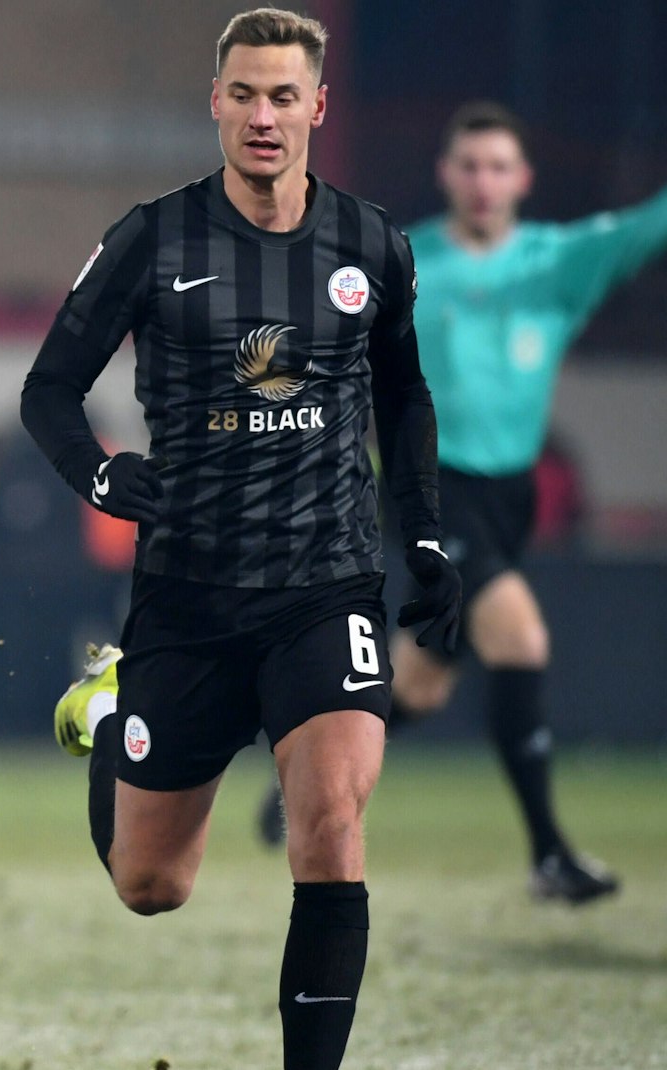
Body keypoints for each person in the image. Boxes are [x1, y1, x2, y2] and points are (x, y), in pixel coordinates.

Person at [23, 9, 462, 1070]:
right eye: (242, 94)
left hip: (324, 583)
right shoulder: (151, 238)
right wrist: (100, 475)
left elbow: (403, 394)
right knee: (149, 885)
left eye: (282, 96)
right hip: (187, 595)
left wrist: (420, 530)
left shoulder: (371, 242)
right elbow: (47, 391)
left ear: (317, 107)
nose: (262, 116)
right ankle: (114, 707)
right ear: (213, 103)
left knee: (330, 820)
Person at [254, 103, 664, 902]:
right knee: (520, 635)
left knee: (422, 685)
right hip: (431, 487)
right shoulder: (403, 261)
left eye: (498, 166)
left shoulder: (559, 262)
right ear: (446, 174)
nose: (483, 181)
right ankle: (549, 854)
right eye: (469, 165)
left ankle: (305, 776)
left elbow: (646, 229)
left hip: (509, 495)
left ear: (523, 179)